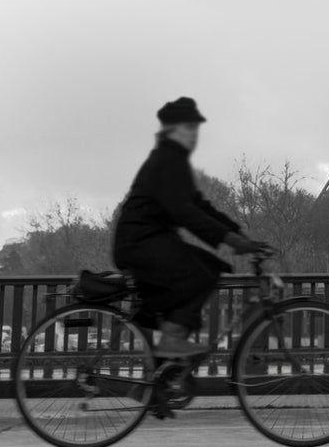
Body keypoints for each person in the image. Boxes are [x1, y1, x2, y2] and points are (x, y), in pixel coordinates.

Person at [112, 97, 269, 360]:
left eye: (196, 129)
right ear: (173, 129)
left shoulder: (171, 159)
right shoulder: (167, 160)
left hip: (143, 241)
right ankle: (172, 340)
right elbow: (184, 211)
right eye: (190, 128)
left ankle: (162, 379)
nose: (195, 136)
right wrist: (233, 240)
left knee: (204, 270)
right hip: (140, 243)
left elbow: (198, 205)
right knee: (202, 272)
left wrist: (239, 236)